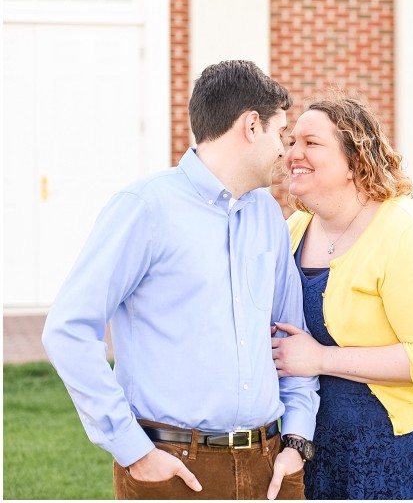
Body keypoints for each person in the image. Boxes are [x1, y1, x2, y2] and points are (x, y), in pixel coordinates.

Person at [42, 60, 319, 500]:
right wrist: (133, 450)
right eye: (280, 135)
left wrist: (297, 441)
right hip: (173, 471)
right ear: (251, 126)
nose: (285, 152)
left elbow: (291, 336)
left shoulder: (268, 214)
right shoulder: (144, 208)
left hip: (271, 467)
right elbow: (68, 331)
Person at [271, 93, 413, 499]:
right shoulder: (296, 228)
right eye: (291, 142)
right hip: (333, 439)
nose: (292, 153)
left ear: (355, 161)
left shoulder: (407, 234)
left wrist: (320, 359)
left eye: (311, 143)